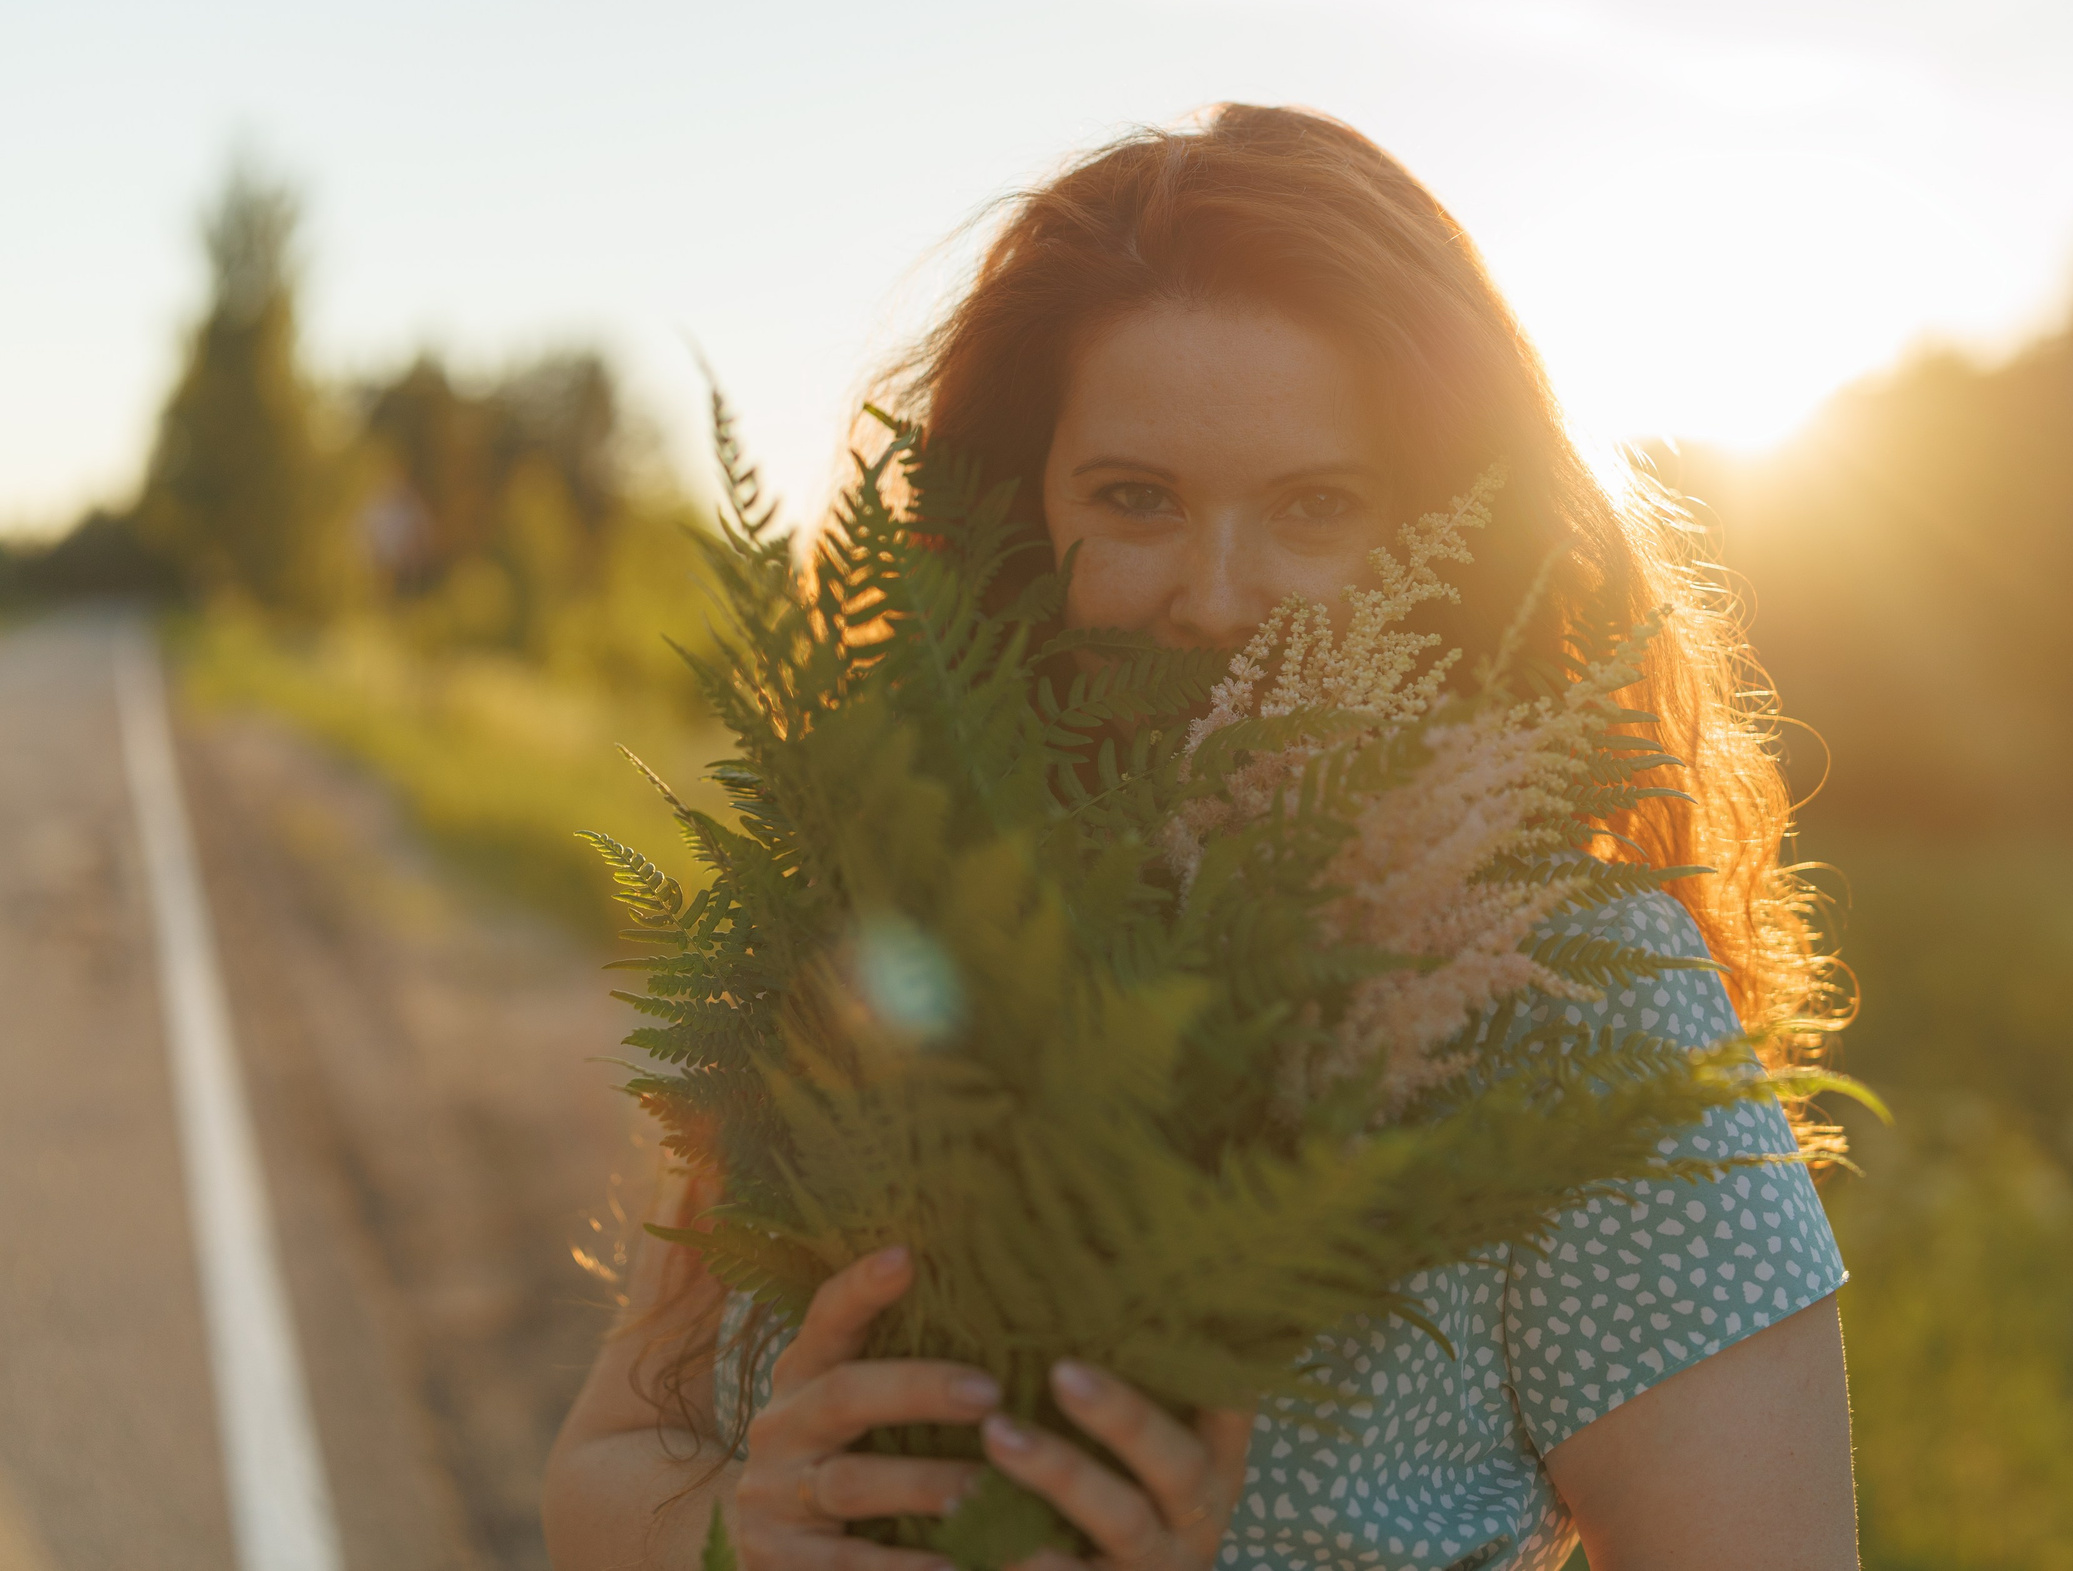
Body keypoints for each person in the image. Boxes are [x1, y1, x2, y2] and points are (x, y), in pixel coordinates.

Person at [545, 105, 1858, 1571]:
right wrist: (742, 1536)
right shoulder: (880, 899)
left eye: (1316, 506)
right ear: (1018, 510)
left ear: (1445, 539)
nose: (1219, 599)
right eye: (1136, 499)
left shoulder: (1575, 1000)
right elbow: (611, 1456)